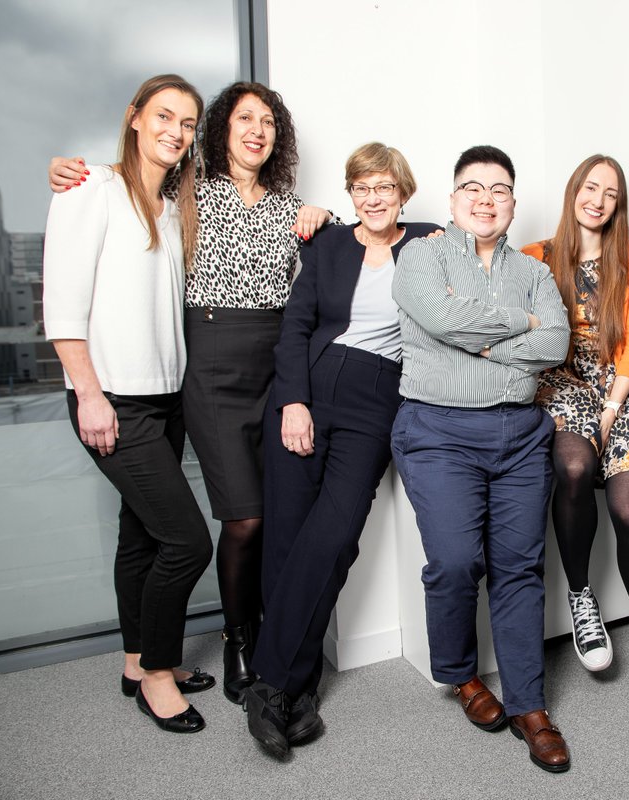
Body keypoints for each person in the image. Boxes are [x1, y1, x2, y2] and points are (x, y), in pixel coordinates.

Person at [49, 82, 332, 703]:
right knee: (243, 517)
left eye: (267, 122)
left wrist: (324, 216)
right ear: (222, 130)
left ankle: (244, 636)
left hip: (273, 367)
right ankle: (233, 639)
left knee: (271, 513)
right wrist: (67, 169)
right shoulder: (188, 192)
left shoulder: (293, 208)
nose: (256, 130)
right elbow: (124, 178)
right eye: (243, 119)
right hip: (207, 367)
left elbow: (330, 266)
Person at [242, 143, 440, 757]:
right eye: (361, 188)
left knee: (333, 537)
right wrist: (294, 401)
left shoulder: (431, 242)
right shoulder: (325, 242)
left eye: (384, 187)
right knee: (288, 540)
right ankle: (292, 694)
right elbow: (296, 325)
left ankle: (267, 681)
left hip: (377, 396)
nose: (373, 198)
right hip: (307, 388)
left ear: (403, 191)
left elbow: (492, 237)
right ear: (350, 194)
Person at [390, 146, 572, 772]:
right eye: (473, 186)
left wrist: (482, 340)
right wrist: (514, 329)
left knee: (520, 568)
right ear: (452, 198)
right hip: (437, 430)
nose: (486, 198)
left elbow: (555, 342)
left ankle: (530, 705)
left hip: (520, 433)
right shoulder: (421, 256)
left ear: (513, 203)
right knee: (455, 560)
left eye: (499, 188)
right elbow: (439, 317)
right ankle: (462, 674)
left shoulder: (536, 273)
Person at [43, 74, 214, 733]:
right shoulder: (90, 189)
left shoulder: (172, 204)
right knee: (186, 541)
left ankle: (135, 656)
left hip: (164, 399)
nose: (175, 129)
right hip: (112, 398)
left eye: (187, 121)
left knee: (141, 535)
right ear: (135, 118)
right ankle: (158, 675)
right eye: (164, 115)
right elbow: (62, 307)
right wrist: (87, 394)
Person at [520, 155, 629, 697]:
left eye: (611, 193)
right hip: (561, 385)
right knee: (576, 467)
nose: (599, 200)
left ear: (619, 204)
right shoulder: (537, 257)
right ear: (573, 191)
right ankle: (582, 598)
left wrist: (612, 406)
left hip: (623, 389)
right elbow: (482, 276)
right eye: (591, 187)